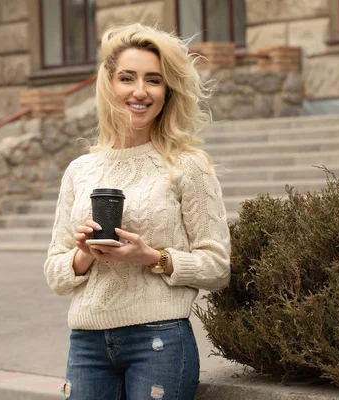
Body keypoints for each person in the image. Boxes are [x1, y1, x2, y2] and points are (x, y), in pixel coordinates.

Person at [44, 23, 231, 400]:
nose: (140, 91)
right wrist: (83, 254)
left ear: (167, 91)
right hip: (86, 344)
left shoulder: (188, 166)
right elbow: (56, 273)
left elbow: (217, 267)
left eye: (154, 80)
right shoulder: (80, 170)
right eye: (127, 78)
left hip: (159, 340)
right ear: (109, 85)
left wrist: (151, 257)